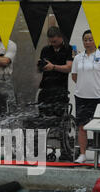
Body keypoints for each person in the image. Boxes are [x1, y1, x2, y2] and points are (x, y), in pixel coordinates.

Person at [71, 30, 100, 164]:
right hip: (81, 97)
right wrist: (85, 86)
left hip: (99, 97)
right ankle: (83, 154)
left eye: (90, 39)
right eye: (85, 40)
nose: (88, 42)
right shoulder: (78, 58)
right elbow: (74, 76)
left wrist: (99, 87)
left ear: (96, 41)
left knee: (98, 127)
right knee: (82, 126)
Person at [37, 26, 73, 161]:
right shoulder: (45, 50)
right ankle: (40, 151)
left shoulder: (68, 49)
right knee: (41, 121)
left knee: (62, 122)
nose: (53, 43)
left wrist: (54, 67)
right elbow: (40, 68)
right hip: (46, 89)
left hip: (60, 89)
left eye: (55, 41)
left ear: (60, 38)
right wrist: (40, 66)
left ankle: (65, 151)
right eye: (51, 41)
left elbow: (69, 68)